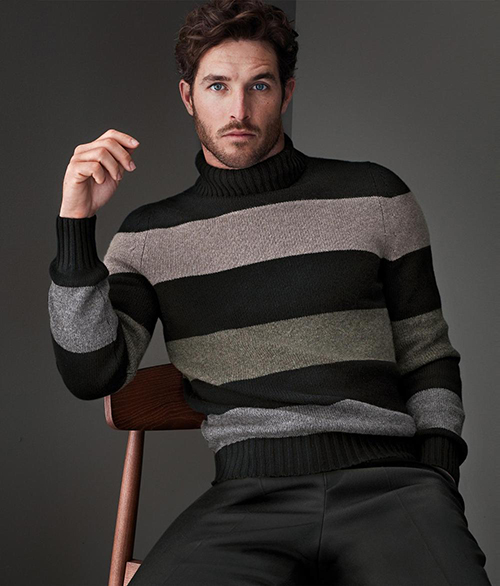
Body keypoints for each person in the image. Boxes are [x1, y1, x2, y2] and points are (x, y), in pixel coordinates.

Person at [48, 0, 491, 584]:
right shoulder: (149, 237)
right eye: (217, 86)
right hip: (246, 499)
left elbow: (427, 355)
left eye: (259, 84)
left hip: (390, 485)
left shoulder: (376, 196)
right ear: (188, 97)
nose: (238, 109)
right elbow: (91, 374)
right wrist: (75, 224)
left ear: (286, 93)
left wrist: (437, 476)